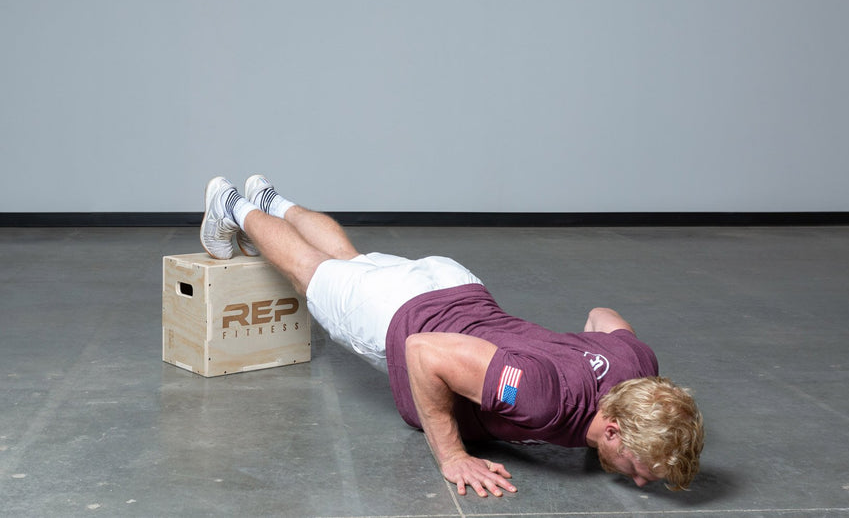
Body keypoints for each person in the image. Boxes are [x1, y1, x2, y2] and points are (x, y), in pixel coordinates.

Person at [200, 175, 704, 498]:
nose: (639, 479)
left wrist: (568, 354)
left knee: (351, 261)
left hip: (456, 282)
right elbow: (424, 352)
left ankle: (271, 198)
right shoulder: (541, 398)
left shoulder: (637, 366)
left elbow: (602, 315)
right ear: (613, 430)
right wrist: (453, 455)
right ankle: (230, 204)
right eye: (640, 468)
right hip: (400, 314)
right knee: (309, 270)